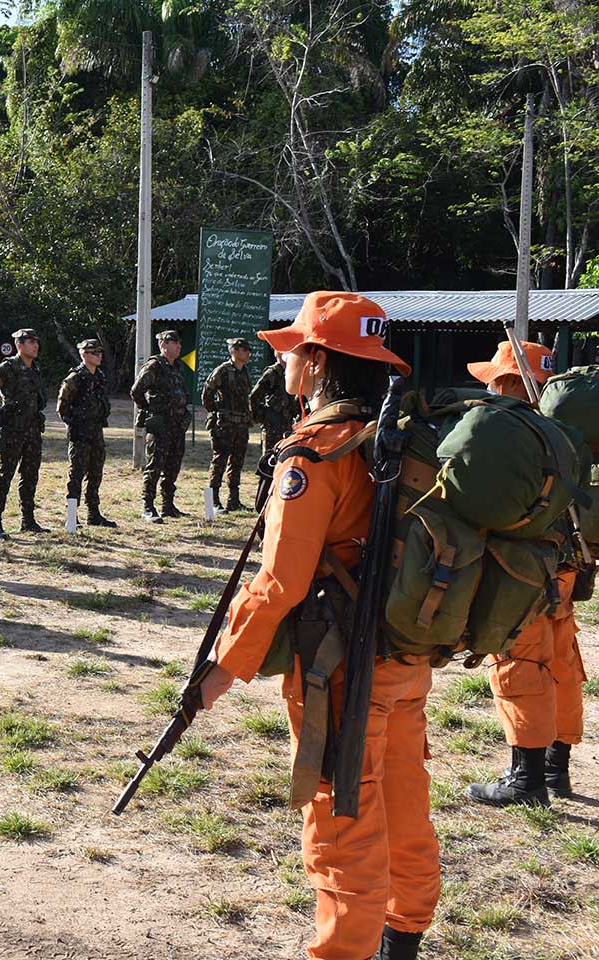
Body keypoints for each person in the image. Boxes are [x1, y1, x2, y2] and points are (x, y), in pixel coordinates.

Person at [197, 292, 437, 960]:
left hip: (340, 670)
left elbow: (280, 583)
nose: (286, 365)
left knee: (342, 826)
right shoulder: (404, 442)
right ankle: (405, 932)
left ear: (319, 359)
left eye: (295, 351)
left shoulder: (315, 454)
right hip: (406, 654)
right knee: (404, 799)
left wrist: (216, 675)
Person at [462, 340, 584, 807]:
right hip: (566, 566)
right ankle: (556, 770)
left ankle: (526, 780)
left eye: (496, 377)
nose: (489, 385)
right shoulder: (564, 432)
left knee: (521, 663)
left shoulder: (510, 434)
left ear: (514, 381)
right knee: (561, 663)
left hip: (524, 572)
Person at [0, 329, 47, 537]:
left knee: (30, 476)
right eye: (31, 342)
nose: (36, 345)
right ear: (20, 345)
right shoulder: (7, 368)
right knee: (4, 477)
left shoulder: (35, 368)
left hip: (32, 431)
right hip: (11, 431)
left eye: (37, 341)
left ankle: (28, 520)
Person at [131, 329, 192, 522]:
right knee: (154, 466)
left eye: (179, 343)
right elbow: (136, 391)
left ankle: (168, 505)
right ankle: (148, 506)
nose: (179, 346)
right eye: (175, 343)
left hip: (177, 426)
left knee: (173, 467)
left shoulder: (178, 367)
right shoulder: (155, 366)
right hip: (161, 426)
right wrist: (150, 409)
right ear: (164, 345)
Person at [57, 338, 114, 527]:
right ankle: (72, 516)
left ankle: (93, 514)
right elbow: (62, 407)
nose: (99, 356)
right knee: (76, 475)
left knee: (96, 473)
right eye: (95, 353)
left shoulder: (100, 376)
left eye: (100, 353)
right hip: (80, 433)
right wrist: (74, 425)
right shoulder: (75, 378)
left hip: (96, 431)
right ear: (84, 354)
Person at [202, 337, 253, 511]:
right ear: (234, 351)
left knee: (237, 462)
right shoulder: (222, 371)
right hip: (225, 425)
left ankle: (234, 500)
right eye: (245, 349)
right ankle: (214, 501)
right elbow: (207, 393)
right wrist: (216, 411)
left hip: (241, 425)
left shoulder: (245, 372)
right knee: (219, 461)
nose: (248, 353)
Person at [251, 354, 300, 461]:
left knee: (283, 457)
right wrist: (262, 416)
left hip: (287, 423)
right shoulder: (272, 373)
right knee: (269, 459)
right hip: (272, 424)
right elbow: (254, 397)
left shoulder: (290, 373)